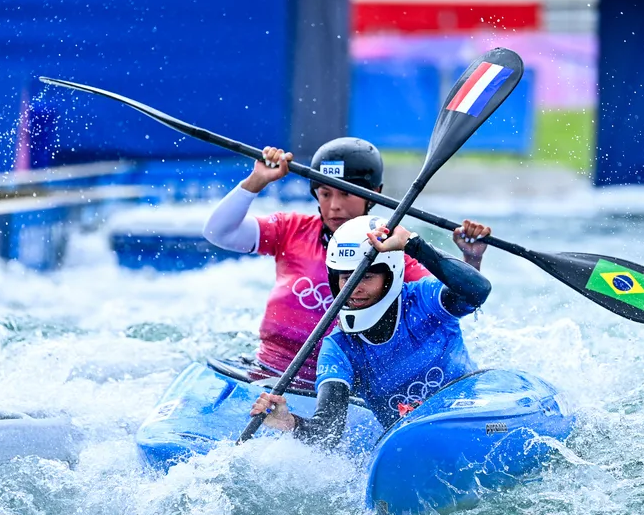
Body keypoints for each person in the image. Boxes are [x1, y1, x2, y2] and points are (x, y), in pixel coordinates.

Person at [203, 137, 491, 388]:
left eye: (345, 193)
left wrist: (471, 259)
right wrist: (256, 182)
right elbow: (219, 233)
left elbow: (458, 303)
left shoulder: (391, 258)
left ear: (373, 194)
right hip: (267, 373)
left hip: (339, 388)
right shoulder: (292, 230)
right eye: (325, 193)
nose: (334, 205)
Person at [248, 214, 491, 446]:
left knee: (493, 428)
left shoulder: (424, 299)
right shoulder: (338, 348)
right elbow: (328, 432)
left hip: (476, 423)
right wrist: (290, 422)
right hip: (412, 443)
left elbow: (478, 290)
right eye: (346, 277)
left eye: (366, 276)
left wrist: (413, 245)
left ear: (391, 275)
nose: (354, 288)